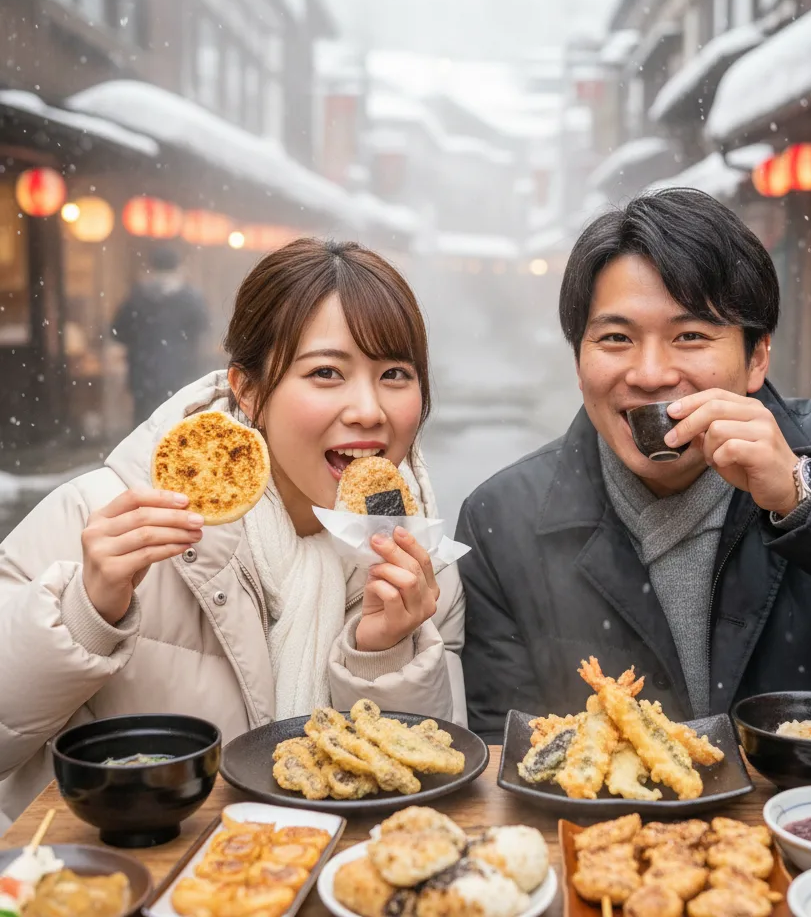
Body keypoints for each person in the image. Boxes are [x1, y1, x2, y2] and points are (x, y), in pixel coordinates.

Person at [456, 189, 811, 741]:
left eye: (691, 335)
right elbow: (508, 751)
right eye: (615, 338)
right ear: (579, 363)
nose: (651, 373)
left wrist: (807, 497)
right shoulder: (500, 519)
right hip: (609, 829)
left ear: (756, 358)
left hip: (805, 820)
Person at [0, 239, 464, 830]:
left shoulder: (421, 565)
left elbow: (438, 790)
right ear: (247, 390)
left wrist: (385, 655)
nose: (369, 409)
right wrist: (84, 614)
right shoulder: (99, 522)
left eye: (395, 374)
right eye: (327, 372)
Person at [113, 243, 211, 425]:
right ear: (178, 267)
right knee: (177, 430)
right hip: (181, 375)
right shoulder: (190, 298)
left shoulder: (137, 296)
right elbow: (202, 329)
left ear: (151, 267)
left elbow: (118, 332)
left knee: (143, 430)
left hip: (143, 375)